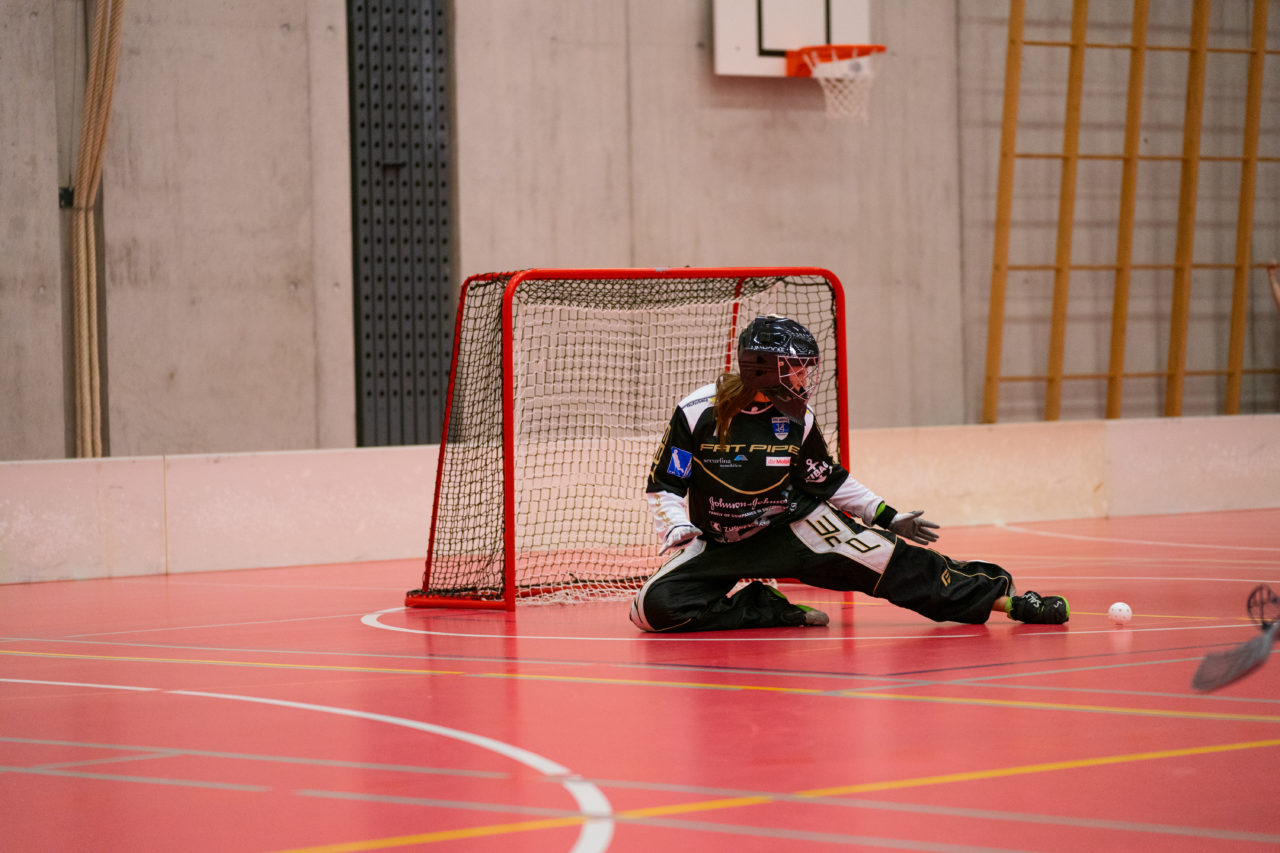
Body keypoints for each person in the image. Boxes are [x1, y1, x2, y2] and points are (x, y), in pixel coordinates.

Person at [629, 314, 1069, 633]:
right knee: (653, 609)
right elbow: (666, 483)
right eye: (795, 366)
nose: (804, 376)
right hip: (722, 543)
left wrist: (887, 516)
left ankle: (1006, 599)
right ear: (762, 367)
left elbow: (827, 479)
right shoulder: (697, 412)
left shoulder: (798, 417)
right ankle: (767, 608)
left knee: (894, 567)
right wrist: (678, 528)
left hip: (797, 527)